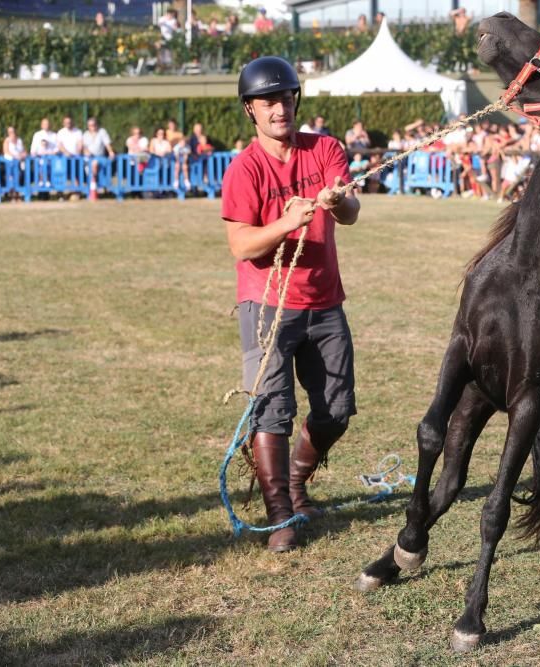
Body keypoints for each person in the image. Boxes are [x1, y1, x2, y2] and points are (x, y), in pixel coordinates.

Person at [221, 56, 360, 552]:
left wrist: (337, 199)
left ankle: (298, 480)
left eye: (285, 98)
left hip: (325, 301)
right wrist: (286, 222)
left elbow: (352, 212)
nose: (279, 108)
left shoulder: (325, 148)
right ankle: (280, 512)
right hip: (266, 307)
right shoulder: (243, 169)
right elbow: (241, 246)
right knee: (272, 411)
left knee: (337, 409)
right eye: (268, 102)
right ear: (250, 110)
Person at [82, 117, 115, 194]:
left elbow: (107, 144)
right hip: (88, 159)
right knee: (90, 168)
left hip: (100, 157)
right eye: (90, 125)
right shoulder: (86, 134)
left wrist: (111, 152)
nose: (92, 127)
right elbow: (84, 147)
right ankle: (93, 188)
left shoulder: (102, 132)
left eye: (93, 125)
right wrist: (86, 152)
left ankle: (98, 186)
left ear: (97, 125)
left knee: (97, 165)